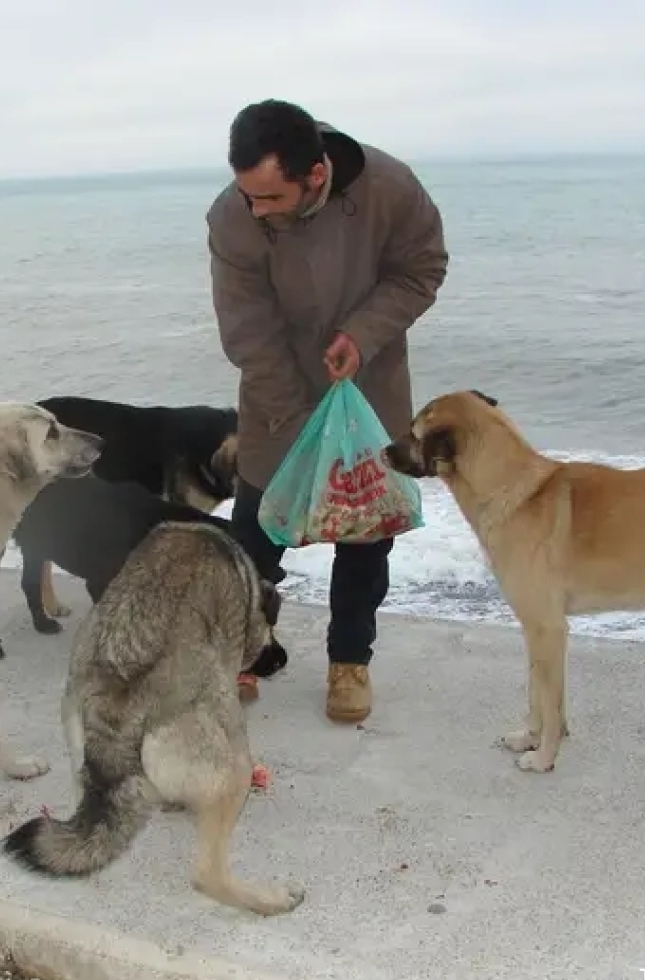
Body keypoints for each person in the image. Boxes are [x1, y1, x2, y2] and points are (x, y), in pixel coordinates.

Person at [205, 98, 449, 724]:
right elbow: (247, 329)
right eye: (246, 195)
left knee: (368, 537)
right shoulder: (232, 216)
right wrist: (295, 421)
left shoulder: (390, 188)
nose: (254, 210)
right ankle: (236, 650)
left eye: (269, 198)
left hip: (369, 388)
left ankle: (350, 661)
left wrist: (364, 334)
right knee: (256, 533)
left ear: (315, 174)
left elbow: (422, 269)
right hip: (275, 397)